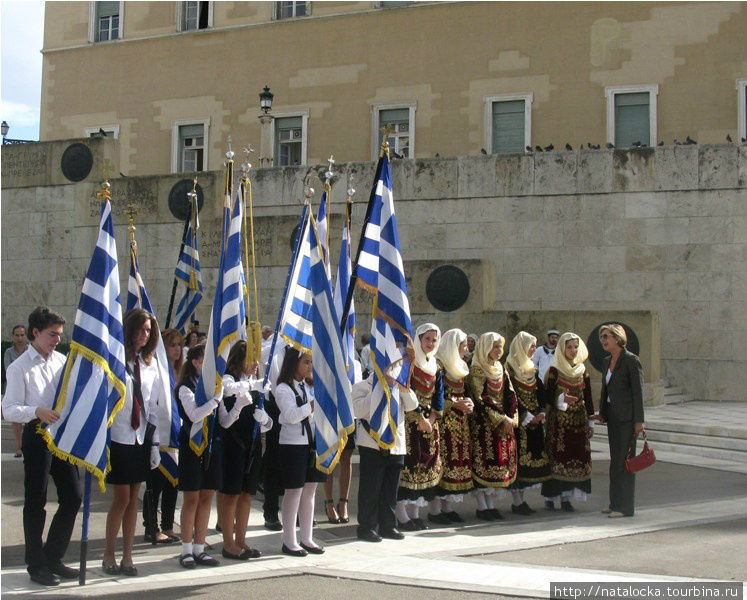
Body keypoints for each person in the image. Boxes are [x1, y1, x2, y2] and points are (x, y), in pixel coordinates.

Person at [2, 307, 80, 586]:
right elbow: (8, 409)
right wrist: (36, 411)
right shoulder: (19, 367)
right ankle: (36, 565)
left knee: (73, 496)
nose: (58, 339)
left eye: (60, 334)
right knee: (36, 500)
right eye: (53, 334)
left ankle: (53, 556)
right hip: (36, 434)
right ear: (35, 332)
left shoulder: (62, 361)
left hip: (61, 434)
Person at [103, 308, 162, 577]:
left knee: (134, 498)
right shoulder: (114, 360)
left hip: (140, 437)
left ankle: (128, 555)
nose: (144, 334)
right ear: (129, 329)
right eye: (140, 329)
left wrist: (155, 444)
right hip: (118, 436)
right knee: (121, 498)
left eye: (148, 330)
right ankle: (108, 553)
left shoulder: (149, 365)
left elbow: (152, 406)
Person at [217, 341, 273, 559]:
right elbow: (228, 390)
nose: (256, 363)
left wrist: (265, 420)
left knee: (246, 495)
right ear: (239, 360)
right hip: (233, 443)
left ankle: (241, 539)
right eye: (251, 358)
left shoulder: (255, 383)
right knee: (231, 494)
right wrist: (253, 386)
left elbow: (268, 422)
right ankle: (228, 542)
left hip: (253, 444)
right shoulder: (230, 378)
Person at [353, 362, 417, 542]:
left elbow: (412, 404)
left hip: (396, 444)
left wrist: (401, 387)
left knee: (390, 489)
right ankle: (367, 527)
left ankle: (388, 525)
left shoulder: (399, 386)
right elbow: (359, 410)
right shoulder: (362, 386)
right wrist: (380, 388)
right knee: (370, 489)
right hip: (372, 445)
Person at [175, 342, 223, 569]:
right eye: (206, 359)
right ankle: (186, 549)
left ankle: (199, 547)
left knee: (206, 496)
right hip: (192, 445)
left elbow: (223, 416)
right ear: (195, 362)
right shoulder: (186, 386)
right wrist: (214, 401)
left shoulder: (214, 384)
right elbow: (193, 414)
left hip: (210, 444)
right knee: (192, 498)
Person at [275, 347, 326, 556]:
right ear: (293, 363)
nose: (309, 367)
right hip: (292, 444)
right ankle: (289, 540)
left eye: (310, 362)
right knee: (293, 491)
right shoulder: (283, 389)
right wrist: (312, 406)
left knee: (310, 490)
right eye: (305, 362)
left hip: (310, 444)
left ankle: (307, 537)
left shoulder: (307, 386)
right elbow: (290, 415)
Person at [395, 323, 443, 531]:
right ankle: (401, 513)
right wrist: (419, 418)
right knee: (410, 465)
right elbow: (405, 390)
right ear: (419, 339)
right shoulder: (409, 362)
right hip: (410, 422)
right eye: (427, 339)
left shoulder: (436, 366)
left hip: (429, 426)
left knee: (426, 466)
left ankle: (415, 513)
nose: (430, 343)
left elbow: (439, 396)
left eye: (434, 340)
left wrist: (432, 420)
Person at [541, 332, 595, 512]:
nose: (572, 350)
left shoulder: (582, 371)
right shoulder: (554, 371)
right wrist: (560, 400)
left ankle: (567, 498)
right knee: (558, 458)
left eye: (575, 347)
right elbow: (547, 397)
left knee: (576, 457)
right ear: (562, 348)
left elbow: (588, 397)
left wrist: (591, 422)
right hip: (559, 425)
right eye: (569, 347)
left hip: (578, 423)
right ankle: (551, 497)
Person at [467, 332, 518, 521]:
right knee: (485, 461)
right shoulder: (478, 369)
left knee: (498, 461)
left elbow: (510, 393)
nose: (498, 350)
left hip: (502, 422)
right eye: (495, 346)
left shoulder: (500, 368)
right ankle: (482, 505)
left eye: (500, 346)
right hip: (484, 423)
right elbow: (481, 398)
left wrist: (512, 417)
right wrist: (500, 418)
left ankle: (491, 504)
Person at [596, 324, 645, 518]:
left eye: (606, 336)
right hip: (613, 417)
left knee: (625, 462)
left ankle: (625, 507)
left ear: (617, 338)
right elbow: (606, 390)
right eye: (601, 337)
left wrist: (639, 421)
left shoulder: (631, 360)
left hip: (627, 419)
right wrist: (602, 412)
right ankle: (614, 502)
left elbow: (638, 392)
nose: (603, 340)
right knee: (615, 461)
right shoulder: (608, 361)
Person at [429, 328, 474, 525]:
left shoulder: (461, 366)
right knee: (442, 464)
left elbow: (464, 392)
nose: (465, 349)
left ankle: (448, 508)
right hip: (444, 424)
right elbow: (434, 398)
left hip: (460, 424)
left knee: (456, 465)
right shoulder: (439, 366)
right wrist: (454, 404)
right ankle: (435, 510)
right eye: (462, 346)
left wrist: (468, 402)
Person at [142, 328, 183, 544]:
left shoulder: (183, 371)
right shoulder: (156, 371)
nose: (177, 349)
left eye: (179, 345)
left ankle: (168, 524)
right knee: (155, 485)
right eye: (172, 345)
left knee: (173, 484)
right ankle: (151, 526)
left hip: (177, 435)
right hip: (159, 434)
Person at [505, 331, 550, 515]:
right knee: (519, 462)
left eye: (534, 346)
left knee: (533, 460)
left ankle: (522, 501)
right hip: (520, 423)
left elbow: (540, 393)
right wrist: (525, 414)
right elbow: (510, 394)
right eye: (531, 346)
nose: (533, 349)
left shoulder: (532, 368)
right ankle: (517, 501)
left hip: (535, 423)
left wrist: (540, 411)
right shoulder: (510, 368)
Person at [3, 324, 28, 457]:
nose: (19, 338)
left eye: (22, 335)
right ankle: (19, 447)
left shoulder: (31, 351)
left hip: (29, 388)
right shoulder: (8, 352)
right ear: (13, 337)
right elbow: (9, 370)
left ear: (26, 335)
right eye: (17, 335)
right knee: (16, 419)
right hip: (13, 388)